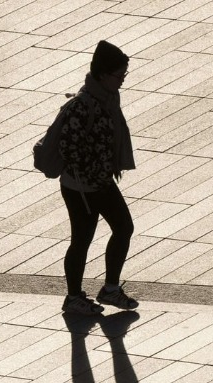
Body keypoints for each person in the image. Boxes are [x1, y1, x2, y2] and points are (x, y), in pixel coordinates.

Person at [58, 40, 138, 315]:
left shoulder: (107, 98)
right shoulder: (82, 106)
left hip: (99, 182)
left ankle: (109, 290)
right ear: (103, 74)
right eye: (119, 75)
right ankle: (75, 296)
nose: (123, 81)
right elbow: (68, 147)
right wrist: (93, 172)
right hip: (82, 186)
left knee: (121, 228)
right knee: (83, 238)